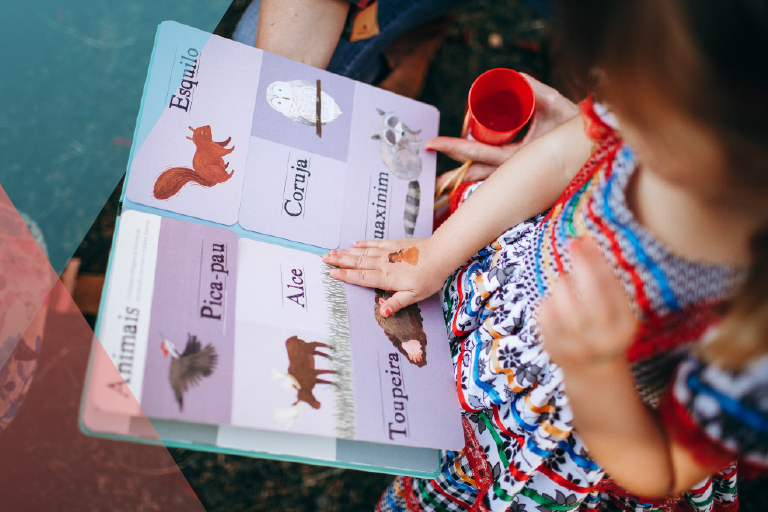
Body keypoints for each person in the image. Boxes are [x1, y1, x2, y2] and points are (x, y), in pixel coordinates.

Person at [322, 0, 768, 510]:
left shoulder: (754, 347)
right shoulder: (661, 96)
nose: (614, 109)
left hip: (561, 441)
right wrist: (439, 254)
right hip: (499, 312)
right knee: (420, 418)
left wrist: (596, 374)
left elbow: (664, 468)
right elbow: (563, 153)